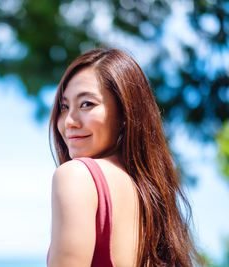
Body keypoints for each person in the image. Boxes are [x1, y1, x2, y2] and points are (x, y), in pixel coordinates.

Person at [47, 48, 200, 266]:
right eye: (64, 106)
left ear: (125, 114)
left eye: (87, 104)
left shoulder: (76, 176)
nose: (69, 121)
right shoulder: (152, 199)